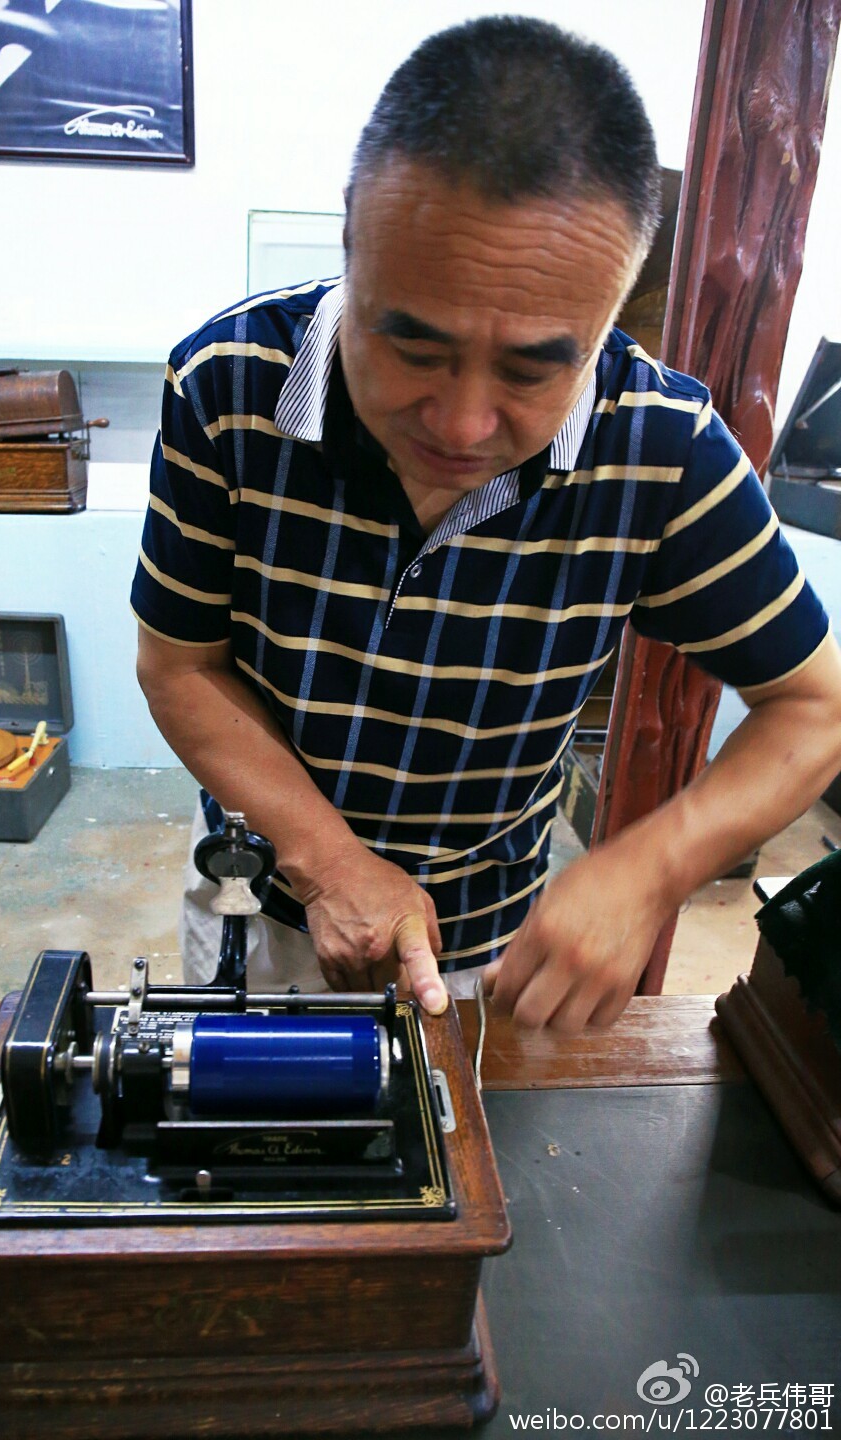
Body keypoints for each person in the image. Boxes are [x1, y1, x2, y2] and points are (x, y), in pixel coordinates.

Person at [132, 15, 841, 1033]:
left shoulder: (661, 448)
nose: (463, 425)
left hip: (493, 947)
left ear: (607, 319)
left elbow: (814, 706)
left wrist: (648, 869)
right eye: (412, 346)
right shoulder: (227, 388)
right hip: (268, 903)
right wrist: (328, 860)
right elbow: (181, 665)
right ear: (350, 243)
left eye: (534, 366)